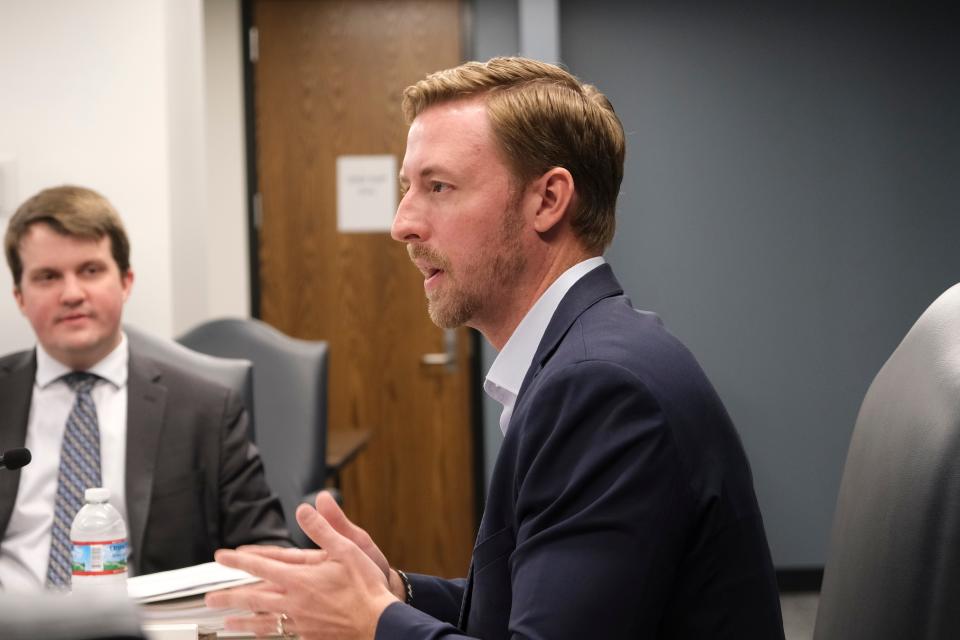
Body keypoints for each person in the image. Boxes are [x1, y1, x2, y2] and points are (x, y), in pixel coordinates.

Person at [207, 56, 784, 639]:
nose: (401, 223)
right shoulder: (588, 356)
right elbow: (529, 601)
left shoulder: (601, 388)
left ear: (547, 200)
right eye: (408, 188)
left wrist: (372, 625)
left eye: (438, 187)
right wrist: (395, 593)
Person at [0, 185, 292, 591]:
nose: (71, 294)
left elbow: (265, 552)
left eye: (90, 270)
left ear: (125, 281)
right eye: (47, 277)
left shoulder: (205, 410)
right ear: (20, 297)